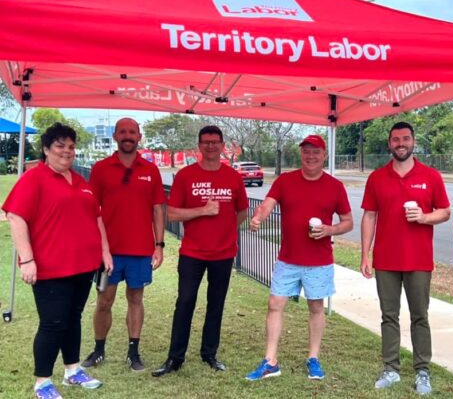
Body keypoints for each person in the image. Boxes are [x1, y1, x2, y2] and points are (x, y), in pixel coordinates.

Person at [2, 123, 113, 399]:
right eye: (60, 146)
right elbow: (15, 217)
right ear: (47, 149)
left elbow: (96, 217)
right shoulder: (35, 178)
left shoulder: (79, 181)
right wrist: (27, 259)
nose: (67, 151)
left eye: (71, 147)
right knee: (53, 323)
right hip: (51, 268)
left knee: (72, 318)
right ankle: (42, 382)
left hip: (83, 265)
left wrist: (105, 251)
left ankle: (72, 371)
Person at [245, 134, 353, 381]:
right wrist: (258, 217)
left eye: (316, 151)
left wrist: (329, 230)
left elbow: (348, 222)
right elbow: (268, 204)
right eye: (306, 151)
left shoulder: (335, 186)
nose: (311, 156)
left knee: (316, 307)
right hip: (288, 259)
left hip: (319, 261)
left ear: (324, 155)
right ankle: (270, 361)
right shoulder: (286, 181)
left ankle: (313, 358)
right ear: (301, 154)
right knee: (275, 304)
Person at [360, 122, 450, 395]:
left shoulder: (431, 176)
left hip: (419, 260)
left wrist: (424, 217)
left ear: (413, 141)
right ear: (389, 143)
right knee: (389, 316)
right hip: (386, 259)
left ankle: (422, 370)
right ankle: (391, 368)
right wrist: (365, 253)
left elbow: (444, 211)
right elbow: (369, 216)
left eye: (406, 139)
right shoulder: (377, 177)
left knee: (420, 316)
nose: (401, 143)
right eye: (396, 139)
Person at [152, 125, 248, 376]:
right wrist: (202, 211)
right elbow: (170, 213)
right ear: (199, 145)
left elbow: (242, 211)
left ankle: (209, 354)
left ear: (223, 145)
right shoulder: (186, 175)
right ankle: (175, 358)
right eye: (206, 142)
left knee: (216, 304)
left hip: (224, 253)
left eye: (215, 142)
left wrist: (226, 229)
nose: (211, 146)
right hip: (192, 253)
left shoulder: (233, 177)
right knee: (184, 302)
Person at [81, 118, 166, 372]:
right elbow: (91, 209)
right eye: (122, 132)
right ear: (115, 136)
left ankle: (133, 352)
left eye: (132, 132)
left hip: (140, 250)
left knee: (136, 299)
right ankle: (98, 350)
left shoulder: (151, 171)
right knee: (104, 300)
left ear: (139, 136)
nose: (127, 136)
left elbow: (158, 209)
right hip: (108, 252)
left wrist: (159, 244)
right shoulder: (100, 168)